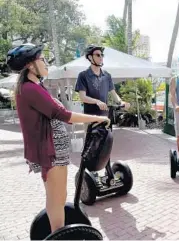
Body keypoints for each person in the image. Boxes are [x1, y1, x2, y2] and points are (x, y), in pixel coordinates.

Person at [6, 43, 111, 234]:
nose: (46, 63)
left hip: (54, 151)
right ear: (30, 65)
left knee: (59, 197)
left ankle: (58, 231)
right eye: (42, 59)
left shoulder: (35, 87)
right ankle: (58, 234)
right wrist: (98, 118)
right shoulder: (30, 89)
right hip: (50, 152)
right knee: (56, 199)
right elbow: (64, 115)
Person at [74, 44, 130, 180]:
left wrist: (121, 102)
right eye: (98, 55)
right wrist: (96, 101)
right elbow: (82, 97)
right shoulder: (83, 75)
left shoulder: (107, 76)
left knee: (106, 145)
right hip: (90, 117)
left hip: (105, 117)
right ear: (90, 57)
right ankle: (89, 172)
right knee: (91, 146)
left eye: (101, 55)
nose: (101, 57)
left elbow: (113, 93)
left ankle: (108, 171)